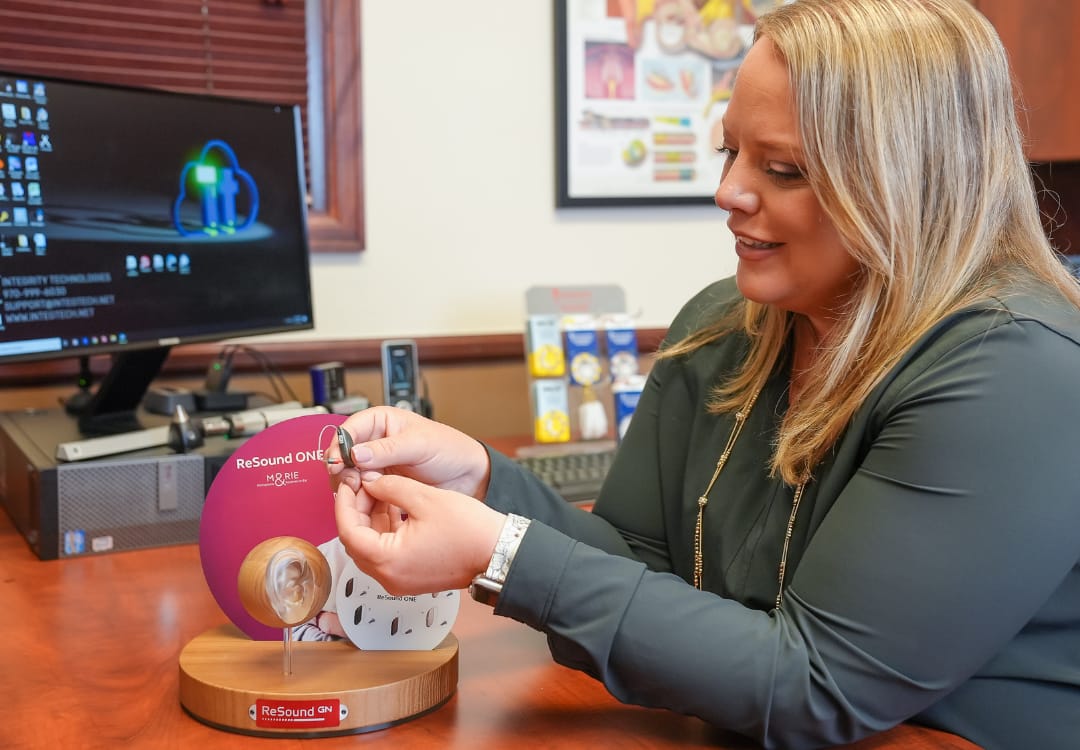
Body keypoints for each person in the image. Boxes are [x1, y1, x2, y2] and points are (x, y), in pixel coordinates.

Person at [328, 1, 1080, 748]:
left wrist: (501, 553)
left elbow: (817, 687)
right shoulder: (723, 326)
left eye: (782, 168)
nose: (728, 193)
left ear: (910, 181)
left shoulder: (1016, 369)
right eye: (731, 153)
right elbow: (641, 577)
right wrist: (486, 484)